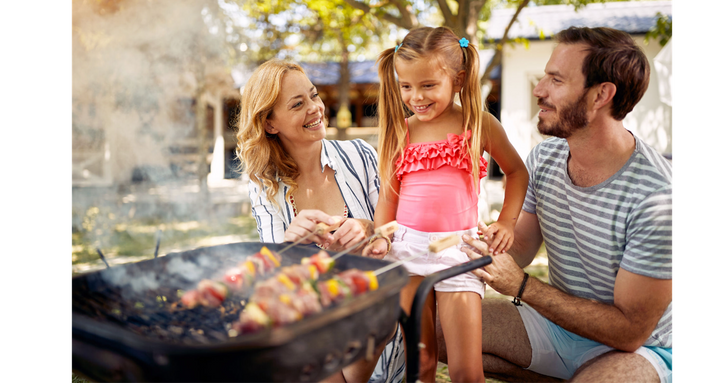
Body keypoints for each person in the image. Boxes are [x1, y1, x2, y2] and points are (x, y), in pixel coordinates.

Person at [450, 26, 675, 383]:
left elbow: (629, 331)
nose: (538, 90)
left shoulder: (658, 198)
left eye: (555, 80)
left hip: (642, 348)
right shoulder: (546, 158)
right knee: (441, 325)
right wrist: (470, 241)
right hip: (557, 327)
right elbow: (519, 248)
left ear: (601, 95)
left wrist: (522, 286)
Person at [367, 26, 529, 383]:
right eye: (406, 86)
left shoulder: (479, 124)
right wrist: (380, 236)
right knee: (421, 365)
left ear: (458, 80)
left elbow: (517, 172)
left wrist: (507, 221)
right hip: (406, 252)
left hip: (459, 252)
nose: (416, 97)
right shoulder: (401, 131)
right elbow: (389, 194)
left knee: (466, 371)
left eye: (428, 85)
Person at [235, 59, 404, 383]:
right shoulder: (264, 187)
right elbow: (274, 279)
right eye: (298, 104)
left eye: (313, 95)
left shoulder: (360, 155)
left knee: (371, 318)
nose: (315, 108)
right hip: (314, 333)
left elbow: (400, 229)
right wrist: (289, 246)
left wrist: (369, 229)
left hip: (376, 330)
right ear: (270, 124)